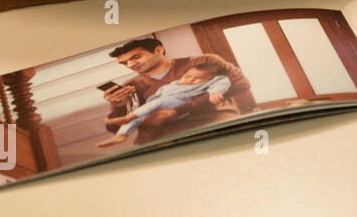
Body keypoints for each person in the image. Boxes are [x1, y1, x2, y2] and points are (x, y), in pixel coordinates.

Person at [102, 38, 251, 144]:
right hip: (162, 139)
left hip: (212, 126)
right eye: (124, 63)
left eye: (135, 57)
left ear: (158, 50)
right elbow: (114, 129)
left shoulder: (203, 63)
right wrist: (118, 106)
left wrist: (178, 110)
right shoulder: (131, 86)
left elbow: (240, 84)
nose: (130, 65)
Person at [97, 62, 231, 147]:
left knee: (155, 103)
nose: (190, 80)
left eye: (196, 78)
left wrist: (216, 92)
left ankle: (130, 117)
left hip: (179, 104)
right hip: (157, 107)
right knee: (141, 114)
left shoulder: (212, 77)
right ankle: (122, 135)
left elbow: (222, 81)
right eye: (187, 76)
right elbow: (111, 127)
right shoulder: (173, 84)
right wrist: (120, 105)